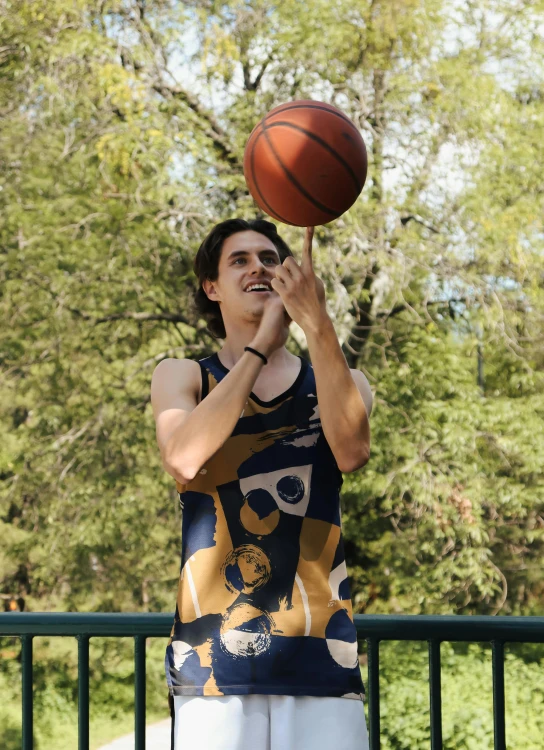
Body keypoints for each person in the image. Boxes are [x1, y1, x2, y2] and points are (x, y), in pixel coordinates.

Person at [151, 218, 373, 750]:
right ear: (211, 288)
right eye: (239, 260)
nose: (258, 267)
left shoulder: (342, 383)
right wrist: (257, 350)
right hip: (212, 667)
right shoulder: (182, 375)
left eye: (269, 258)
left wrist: (315, 321)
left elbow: (353, 452)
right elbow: (183, 458)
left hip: (321, 656)